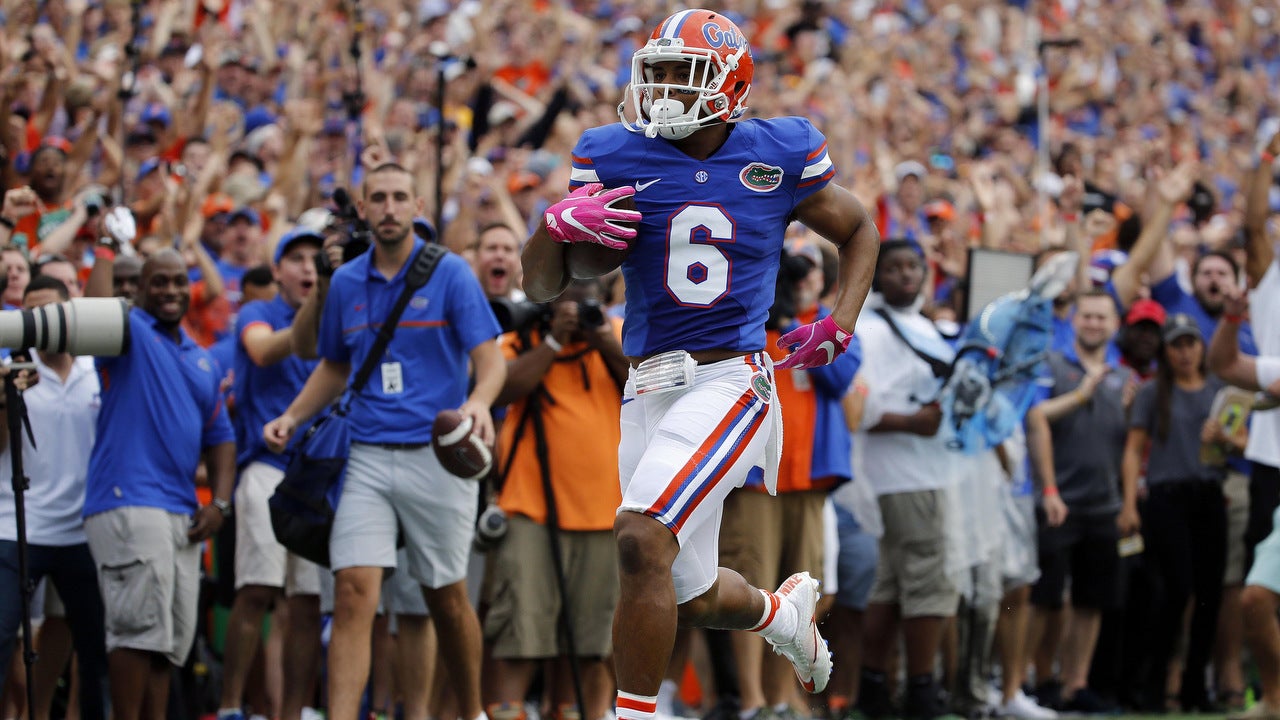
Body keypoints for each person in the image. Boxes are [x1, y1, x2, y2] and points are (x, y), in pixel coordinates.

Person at [521, 10, 880, 719]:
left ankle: (632, 717)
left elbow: (860, 228)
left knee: (638, 536)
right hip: (646, 384)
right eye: (655, 73)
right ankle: (781, 616)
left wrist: (839, 322)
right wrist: (553, 228)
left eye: (682, 75)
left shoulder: (779, 150)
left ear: (731, 85)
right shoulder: (614, 153)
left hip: (729, 380)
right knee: (689, 591)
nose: (662, 90)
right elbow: (543, 285)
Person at [263, 163, 506, 720]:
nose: (390, 208)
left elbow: (490, 361)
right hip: (366, 455)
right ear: (365, 209)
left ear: (417, 205)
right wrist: (292, 416)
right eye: (379, 198)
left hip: (436, 456)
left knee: (445, 596)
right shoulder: (346, 281)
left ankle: (471, 712)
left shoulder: (450, 273)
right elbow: (333, 364)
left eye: (400, 197)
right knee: (352, 591)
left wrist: (477, 403)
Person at [81, 246, 237, 720]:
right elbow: (90, 316)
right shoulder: (129, 332)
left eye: (177, 281)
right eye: (158, 282)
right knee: (137, 633)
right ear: (140, 289)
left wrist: (222, 504)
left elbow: (222, 437)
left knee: (167, 641)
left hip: (181, 511)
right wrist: (107, 248)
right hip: (129, 498)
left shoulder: (201, 358)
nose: (170, 290)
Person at [483, 277, 628, 720]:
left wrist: (601, 338)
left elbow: (649, 387)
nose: (578, 302)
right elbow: (502, 389)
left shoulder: (619, 334)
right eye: (567, 293)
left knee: (590, 647)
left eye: (588, 292)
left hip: (607, 516)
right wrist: (552, 341)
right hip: (530, 511)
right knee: (519, 638)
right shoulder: (521, 337)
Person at [216, 228, 324, 720]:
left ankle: (294, 712)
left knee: (305, 603)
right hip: (265, 466)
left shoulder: (341, 315)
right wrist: (323, 296)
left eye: (315, 259)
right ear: (276, 269)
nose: (307, 267)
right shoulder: (256, 313)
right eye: (296, 258)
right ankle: (232, 706)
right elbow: (263, 351)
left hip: (319, 472)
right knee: (257, 589)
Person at [0, 275, 108, 720]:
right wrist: (4, 399)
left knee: (97, 646)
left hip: (83, 530)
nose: (42, 325)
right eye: (32, 315)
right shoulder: (9, 368)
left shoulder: (98, 368)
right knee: (2, 635)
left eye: (51, 313)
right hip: (13, 525)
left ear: (72, 314)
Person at [1022, 289, 1132, 713]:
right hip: (1058, 501)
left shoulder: (1123, 379)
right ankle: (1035, 677)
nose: (1093, 323)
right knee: (1045, 598)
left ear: (1114, 325)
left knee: (1091, 600)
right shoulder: (1052, 365)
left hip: (1104, 503)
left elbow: (1130, 444)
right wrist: (1049, 488)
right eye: (1087, 316)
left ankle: (1076, 683)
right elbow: (1035, 419)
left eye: (1102, 317)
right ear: (1075, 321)